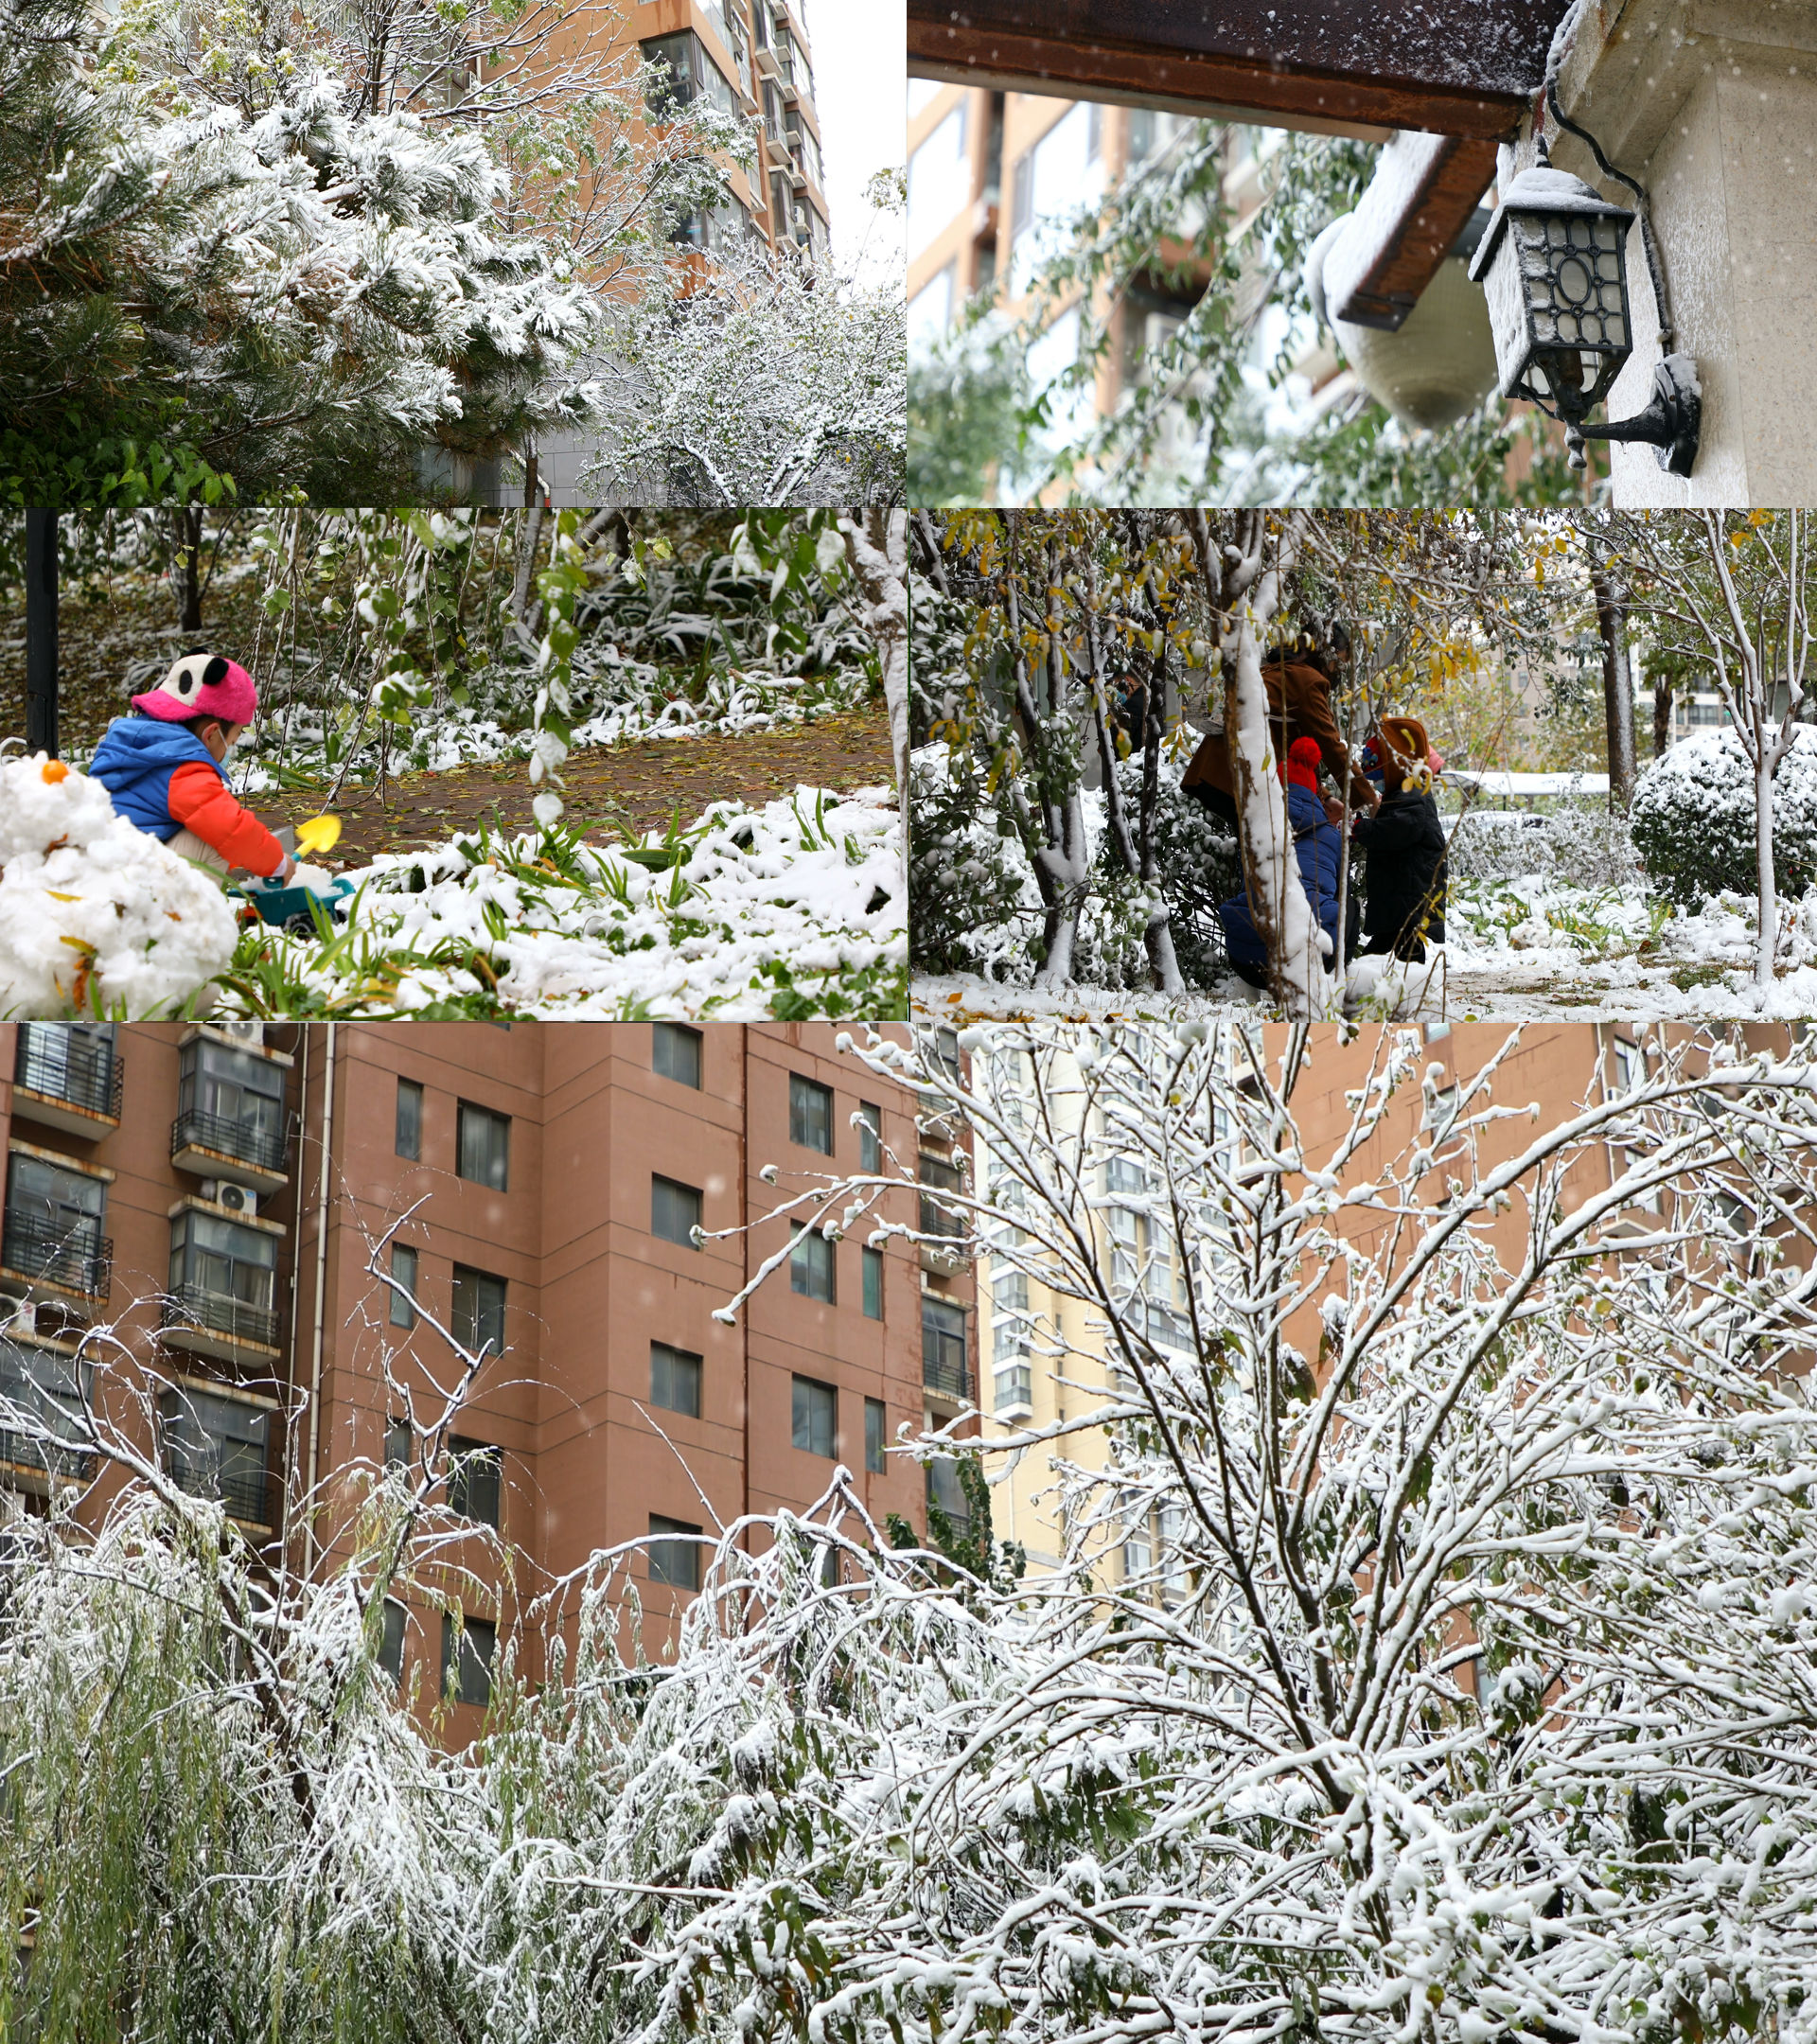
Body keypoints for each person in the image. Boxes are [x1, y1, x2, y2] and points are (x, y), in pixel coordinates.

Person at [89, 654, 296, 883]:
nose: (230, 750)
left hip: (104, 864)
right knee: (213, 843)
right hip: (129, 880)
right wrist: (277, 863)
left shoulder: (140, 744)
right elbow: (231, 829)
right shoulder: (183, 768)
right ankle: (189, 915)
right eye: (233, 740)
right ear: (211, 734)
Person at [1181, 623, 1378, 831]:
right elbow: (1330, 744)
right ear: (1326, 653)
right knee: (1265, 852)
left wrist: (1325, 798)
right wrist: (1369, 799)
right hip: (1237, 778)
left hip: (1220, 774)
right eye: (1341, 660)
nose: (1340, 669)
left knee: (1258, 852)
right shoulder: (1306, 680)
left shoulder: (1278, 670)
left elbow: (1292, 746)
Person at [1218, 737, 1345, 990]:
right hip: (1312, 957)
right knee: (1344, 905)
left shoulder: (1254, 832)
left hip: (1249, 960)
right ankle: (1333, 982)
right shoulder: (1332, 836)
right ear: (1315, 793)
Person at [1351, 715, 1447, 961]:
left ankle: (1402, 988)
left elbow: (1394, 831)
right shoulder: (1405, 792)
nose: (1378, 785)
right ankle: (1371, 984)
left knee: (1403, 943)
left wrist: (1361, 828)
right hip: (1402, 891)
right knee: (1391, 940)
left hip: (1409, 892)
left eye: (1379, 777)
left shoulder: (1412, 794)